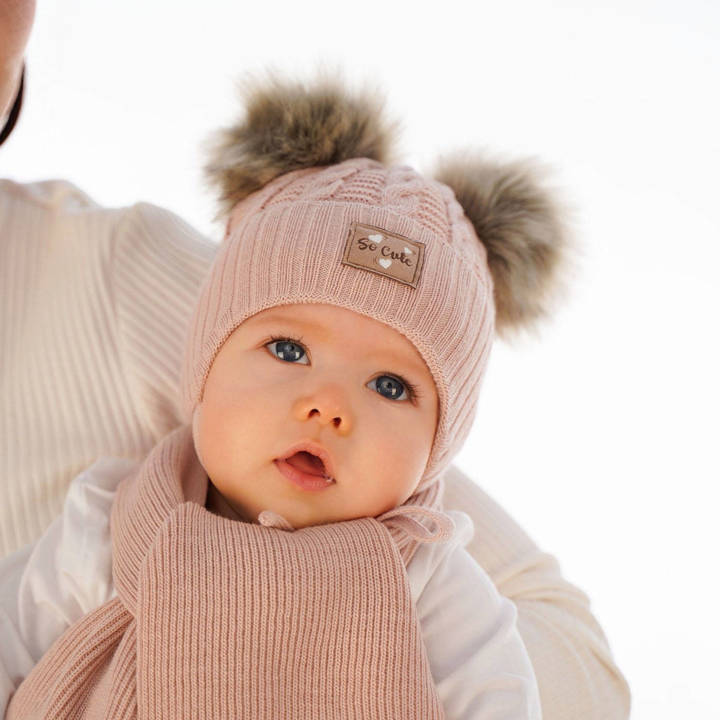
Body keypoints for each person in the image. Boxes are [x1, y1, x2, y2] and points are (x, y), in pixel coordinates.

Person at [0, 12, 632, 720]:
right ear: (200, 372)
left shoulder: (429, 585)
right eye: (289, 351)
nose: (328, 405)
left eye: (392, 386)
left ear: (437, 452)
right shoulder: (110, 522)